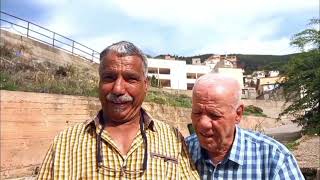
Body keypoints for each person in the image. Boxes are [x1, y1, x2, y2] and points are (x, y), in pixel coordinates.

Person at [37, 41, 199, 179]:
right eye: (109, 77)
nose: (118, 89)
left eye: (130, 79)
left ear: (146, 85)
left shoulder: (173, 139)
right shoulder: (65, 143)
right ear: (99, 83)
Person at [186, 73, 304, 180]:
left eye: (214, 115)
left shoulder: (274, 158)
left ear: (238, 114)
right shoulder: (181, 150)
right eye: (197, 112)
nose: (203, 123)